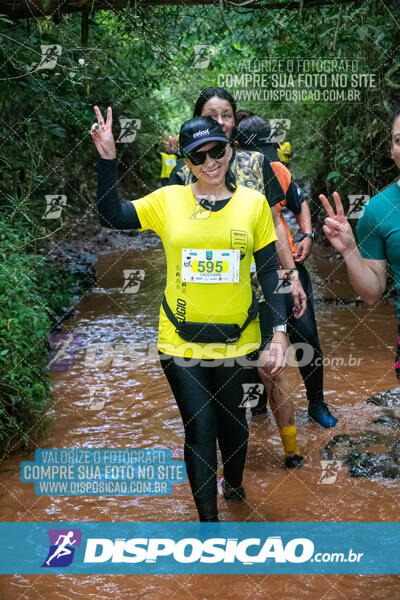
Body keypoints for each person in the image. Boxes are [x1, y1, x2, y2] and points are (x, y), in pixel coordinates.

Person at [91, 106, 289, 522]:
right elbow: (112, 214)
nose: (209, 163)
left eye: (216, 151)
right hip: (179, 341)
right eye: (197, 156)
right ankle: (209, 528)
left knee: (235, 426)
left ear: (229, 150)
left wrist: (280, 333)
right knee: (200, 428)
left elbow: (271, 272)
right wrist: (107, 160)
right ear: (186, 162)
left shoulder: (253, 205)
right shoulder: (168, 202)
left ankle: (234, 485)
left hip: (239, 339)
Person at [168, 87, 307, 320]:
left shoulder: (257, 163)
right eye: (211, 116)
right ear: (196, 119)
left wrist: (293, 276)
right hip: (199, 295)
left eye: (227, 115)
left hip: (259, 291)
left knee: (278, 347)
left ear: (235, 120)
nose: (220, 122)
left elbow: (275, 223)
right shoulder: (182, 174)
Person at [236, 115, 337, 428]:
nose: (265, 157)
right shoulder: (218, 175)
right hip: (245, 276)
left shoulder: (276, 169)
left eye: (269, 149)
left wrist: (307, 235)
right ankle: (259, 415)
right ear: (237, 147)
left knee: (305, 335)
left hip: (286, 267)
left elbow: (300, 203)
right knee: (250, 347)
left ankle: (317, 403)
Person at [320, 105, 400, 381]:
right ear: (391, 150)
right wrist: (349, 249)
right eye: (399, 140)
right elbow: (371, 293)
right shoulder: (378, 210)